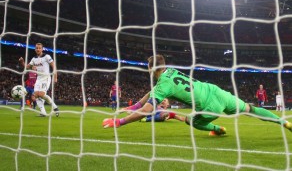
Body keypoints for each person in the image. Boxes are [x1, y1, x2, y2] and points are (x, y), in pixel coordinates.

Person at [103, 54, 292, 136]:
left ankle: (218, 129)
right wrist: (133, 106)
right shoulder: (172, 72)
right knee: (251, 109)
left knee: (191, 121)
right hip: (218, 91)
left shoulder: (163, 85)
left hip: (210, 107)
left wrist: (120, 122)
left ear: (152, 68)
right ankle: (283, 122)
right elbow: (150, 94)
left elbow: (147, 109)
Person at [19, 43, 59, 117]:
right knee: (35, 95)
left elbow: (54, 66)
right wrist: (22, 62)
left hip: (46, 77)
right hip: (39, 79)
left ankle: (55, 107)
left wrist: (55, 77)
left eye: (39, 48)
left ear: (42, 49)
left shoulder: (47, 56)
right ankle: (43, 112)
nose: (38, 49)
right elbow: (27, 67)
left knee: (41, 94)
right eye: (37, 48)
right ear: (35, 49)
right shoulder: (34, 59)